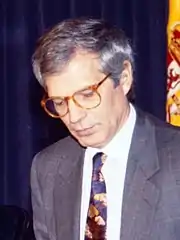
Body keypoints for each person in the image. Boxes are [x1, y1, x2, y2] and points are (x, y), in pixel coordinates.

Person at [30, 17, 180, 240]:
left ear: (124, 78)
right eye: (60, 102)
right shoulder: (47, 168)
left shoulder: (175, 160)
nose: (74, 116)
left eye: (87, 95)